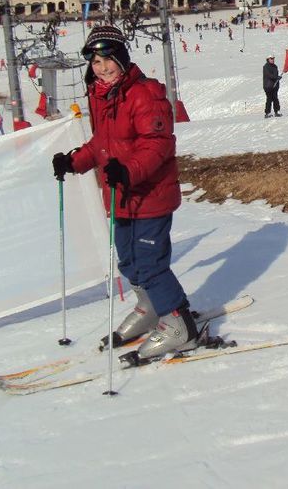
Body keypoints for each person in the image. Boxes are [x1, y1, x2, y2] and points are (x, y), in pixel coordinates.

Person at [51, 25, 195, 363]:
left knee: (150, 263)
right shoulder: (102, 95)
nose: (102, 67)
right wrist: (75, 161)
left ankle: (179, 325)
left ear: (122, 58)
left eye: (108, 59)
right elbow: (103, 142)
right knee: (128, 261)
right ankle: (149, 308)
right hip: (120, 197)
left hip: (148, 194)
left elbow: (157, 145)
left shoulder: (144, 94)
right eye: (96, 61)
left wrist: (128, 171)